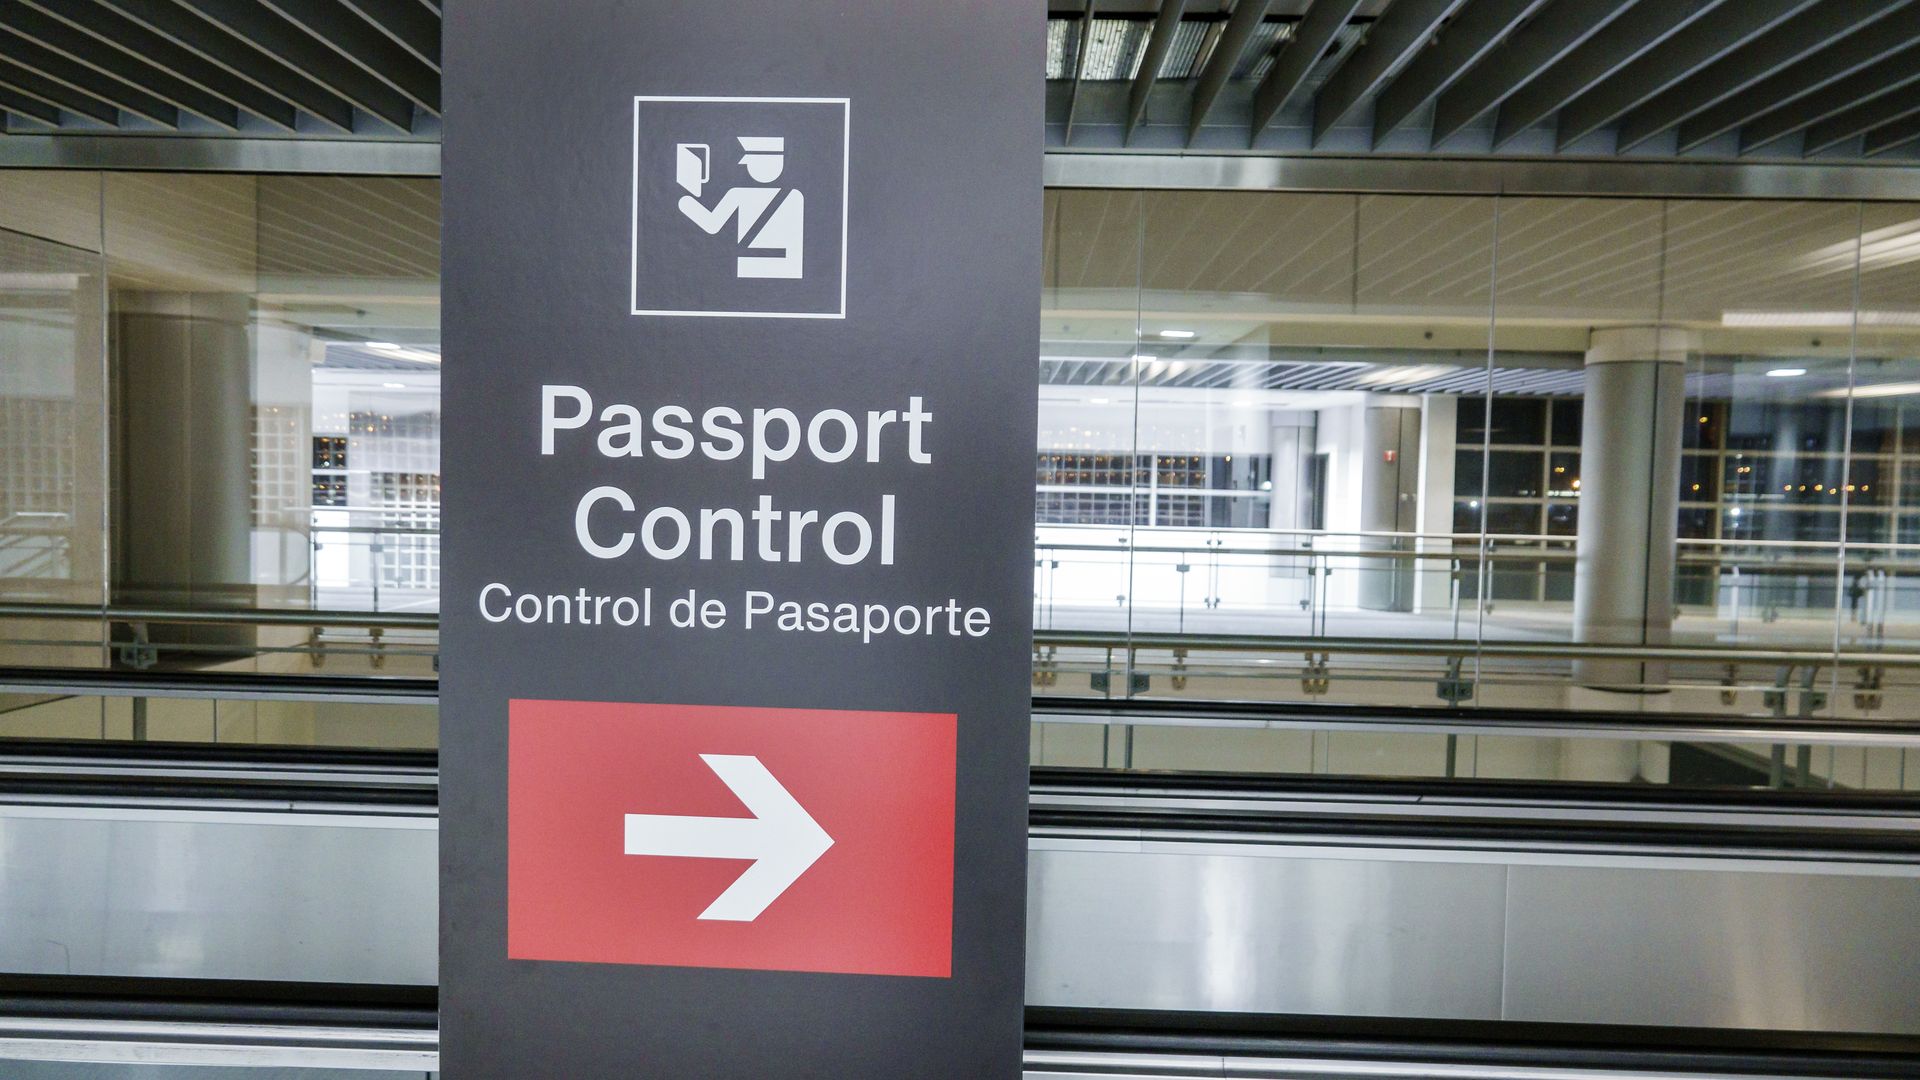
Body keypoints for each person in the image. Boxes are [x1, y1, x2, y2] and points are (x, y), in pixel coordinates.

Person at [676, 136, 804, 279]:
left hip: (748, 264)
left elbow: (711, 225)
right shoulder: (795, 196)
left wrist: (686, 201)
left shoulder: (738, 194)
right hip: (787, 267)